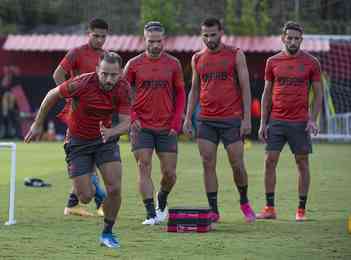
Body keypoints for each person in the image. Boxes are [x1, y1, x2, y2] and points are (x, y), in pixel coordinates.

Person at [25, 52, 130, 248]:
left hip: (104, 140)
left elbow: (126, 122)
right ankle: (87, 172)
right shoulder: (81, 83)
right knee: (85, 196)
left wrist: (112, 132)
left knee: (115, 188)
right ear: (97, 70)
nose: (109, 79)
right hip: (78, 142)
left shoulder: (123, 88)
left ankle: (107, 233)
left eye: (114, 75)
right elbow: (51, 95)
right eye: (104, 74)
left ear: (120, 73)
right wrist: (38, 124)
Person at [183, 18, 256, 223]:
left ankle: (244, 201)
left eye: (213, 34)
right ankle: (213, 210)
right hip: (205, 120)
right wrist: (188, 118)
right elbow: (194, 90)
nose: (209, 39)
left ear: (221, 33)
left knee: (237, 164)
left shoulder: (235, 54)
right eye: (205, 35)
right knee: (207, 164)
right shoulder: (197, 58)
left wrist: (247, 118)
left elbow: (245, 88)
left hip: (231, 119)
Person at [256, 21, 323, 221]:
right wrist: (262, 123)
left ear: (301, 40)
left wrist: (313, 119)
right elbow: (266, 94)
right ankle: (269, 209)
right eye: (289, 38)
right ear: (283, 38)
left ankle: (301, 210)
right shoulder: (272, 62)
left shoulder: (312, 63)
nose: (293, 41)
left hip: (300, 122)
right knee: (269, 161)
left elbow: (319, 94)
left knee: (302, 163)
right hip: (276, 121)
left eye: (296, 38)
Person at [124, 21, 186, 225]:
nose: (155, 45)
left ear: (164, 40)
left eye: (159, 41)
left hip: (167, 127)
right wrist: (133, 117)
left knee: (170, 173)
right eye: (151, 41)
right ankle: (150, 213)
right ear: (145, 40)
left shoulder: (174, 64)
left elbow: (180, 93)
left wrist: (177, 121)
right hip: (142, 127)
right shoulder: (133, 65)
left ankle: (162, 198)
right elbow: (122, 93)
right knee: (144, 165)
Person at [53, 18, 109, 217]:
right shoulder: (76, 53)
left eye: (103, 36)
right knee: (82, 156)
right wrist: (71, 97)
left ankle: (73, 204)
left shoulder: (106, 57)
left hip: (98, 116)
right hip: (77, 116)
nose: (100, 40)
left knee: (91, 160)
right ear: (88, 33)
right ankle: (102, 200)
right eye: (96, 35)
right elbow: (58, 75)